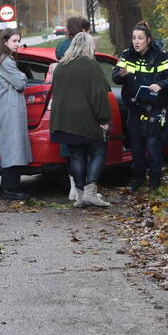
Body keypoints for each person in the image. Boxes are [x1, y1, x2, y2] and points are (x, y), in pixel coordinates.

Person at [49, 32, 112, 208]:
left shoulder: (60, 67)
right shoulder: (92, 66)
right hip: (86, 119)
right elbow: (99, 95)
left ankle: (80, 196)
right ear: (88, 46)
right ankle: (91, 192)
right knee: (99, 151)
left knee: (76, 155)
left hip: (64, 121)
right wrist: (104, 118)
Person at [112, 21, 168, 191]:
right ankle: (138, 179)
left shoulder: (161, 56)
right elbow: (115, 77)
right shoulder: (127, 55)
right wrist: (122, 75)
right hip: (135, 108)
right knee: (136, 148)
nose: (136, 41)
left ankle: (155, 181)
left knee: (153, 147)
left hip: (154, 108)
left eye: (140, 38)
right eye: (134, 38)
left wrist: (161, 85)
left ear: (148, 39)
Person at [0, 29, 32, 200]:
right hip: (10, 110)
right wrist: (23, 75)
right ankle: (10, 189)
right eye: (14, 40)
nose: (17, 44)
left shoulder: (2, 59)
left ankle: (12, 187)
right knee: (13, 148)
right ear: (5, 41)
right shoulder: (6, 62)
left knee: (12, 147)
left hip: (8, 108)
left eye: (18, 40)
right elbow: (20, 82)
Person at [54, 16, 91, 201]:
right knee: (84, 151)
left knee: (70, 150)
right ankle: (82, 187)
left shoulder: (61, 47)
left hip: (64, 101)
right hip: (82, 102)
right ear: (83, 29)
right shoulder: (84, 47)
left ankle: (72, 188)